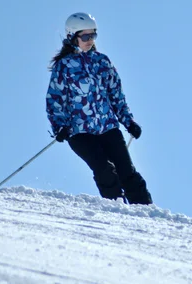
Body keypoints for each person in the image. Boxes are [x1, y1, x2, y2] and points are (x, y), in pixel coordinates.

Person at [46, 12, 153, 205]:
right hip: (79, 132)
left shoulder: (102, 62)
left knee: (127, 171)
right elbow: (55, 100)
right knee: (104, 169)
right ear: (72, 37)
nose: (90, 40)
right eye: (85, 36)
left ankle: (146, 212)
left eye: (93, 35)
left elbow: (116, 95)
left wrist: (128, 122)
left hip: (108, 127)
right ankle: (118, 209)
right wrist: (59, 127)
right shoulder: (63, 67)